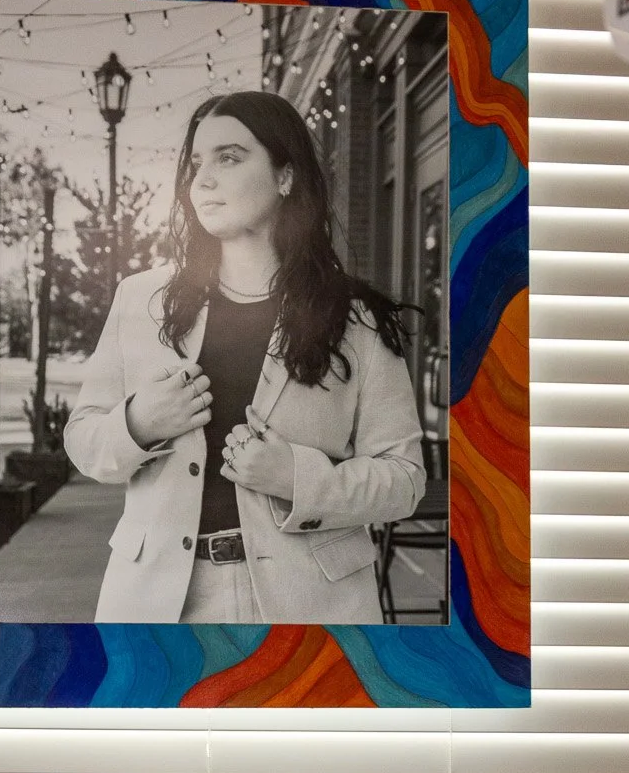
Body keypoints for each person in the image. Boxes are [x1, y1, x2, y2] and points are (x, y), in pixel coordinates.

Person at [64, 89, 426, 624]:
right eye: (195, 165)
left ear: (286, 176)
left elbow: (405, 479)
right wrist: (138, 423)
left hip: (309, 603)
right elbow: (84, 441)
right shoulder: (141, 299)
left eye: (228, 158)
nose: (203, 180)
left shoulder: (355, 318)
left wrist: (299, 479)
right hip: (158, 602)